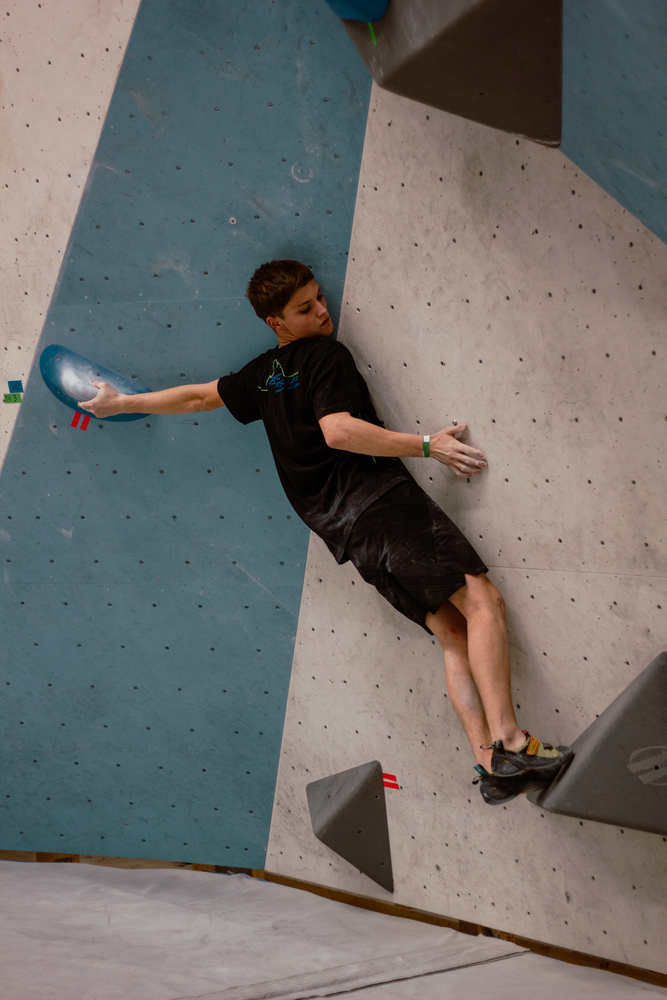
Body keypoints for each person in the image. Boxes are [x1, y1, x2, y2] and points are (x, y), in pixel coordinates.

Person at [79, 259, 572, 804]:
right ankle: (511, 743)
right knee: (482, 601)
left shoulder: (261, 375)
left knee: (452, 632)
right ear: (276, 322)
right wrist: (427, 445)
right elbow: (338, 431)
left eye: (318, 297)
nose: (321, 311)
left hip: (349, 536)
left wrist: (122, 403)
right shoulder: (324, 356)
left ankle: (489, 765)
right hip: (382, 507)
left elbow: (198, 397)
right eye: (304, 308)